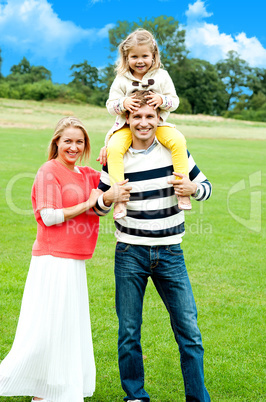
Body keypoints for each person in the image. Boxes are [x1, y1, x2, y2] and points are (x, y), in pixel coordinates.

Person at [0, 117, 131, 402]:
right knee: (46, 327)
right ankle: (35, 389)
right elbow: (49, 216)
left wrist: (110, 151)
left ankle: (50, 391)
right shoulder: (49, 171)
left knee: (66, 327)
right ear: (56, 142)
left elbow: (109, 189)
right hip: (52, 259)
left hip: (74, 259)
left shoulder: (87, 174)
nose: (73, 147)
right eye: (68, 141)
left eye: (79, 142)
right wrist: (88, 203)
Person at [98, 91, 212, 402]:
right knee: (128, 333)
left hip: (170, 253)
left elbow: (207, 187)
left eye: (150, 116)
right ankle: (135, 395)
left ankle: (198, 398)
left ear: (159, 119)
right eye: (138, 117)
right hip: (129, 253)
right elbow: (98, 206)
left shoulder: (175, 153)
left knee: (189, 332)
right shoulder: (116, 158)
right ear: (127, 120)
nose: (144, 122)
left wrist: (193, 188)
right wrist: (108, 198)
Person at [105, 28, 191, 219]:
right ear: (126, 58)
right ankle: (120, 199)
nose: (140, 61)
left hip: (157, 126)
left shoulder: (162, 76)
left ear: (154, 56)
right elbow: (110, 106)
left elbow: (174, 101)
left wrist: (162, 100)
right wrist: (123, 103)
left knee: (178, 140)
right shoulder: (121, 80)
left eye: (145, 56)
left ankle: (183, 192)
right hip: (126, 128)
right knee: (114, 148)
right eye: (134, 57)